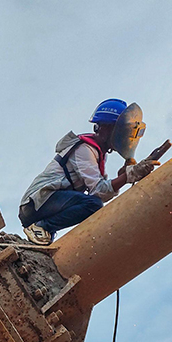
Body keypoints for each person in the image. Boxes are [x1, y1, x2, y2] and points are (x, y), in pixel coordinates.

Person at [19, 99, 158, 245]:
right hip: (37, 202)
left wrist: (122, 177)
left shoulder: (99, 154)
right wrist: (128, 176)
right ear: (104, 128)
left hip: (45, 204)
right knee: (93, 205)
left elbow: (101, 193)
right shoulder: (84, 149)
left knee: (93, 204)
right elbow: (97, 192)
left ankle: (42, 231)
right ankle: (42, 227)